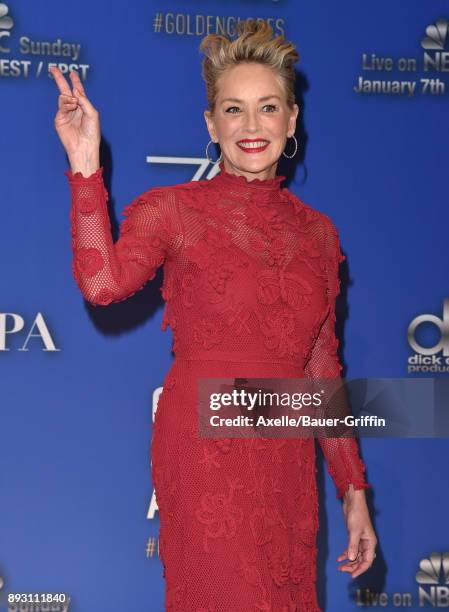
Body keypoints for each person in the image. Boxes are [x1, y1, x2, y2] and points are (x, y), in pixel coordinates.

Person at [51, 18, 377, 612]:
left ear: (292, 119)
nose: (252, 127)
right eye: (234, 110)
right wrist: (84, 162)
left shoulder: (319, 234)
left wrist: (353, 489)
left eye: (268, 107)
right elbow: (103, 284)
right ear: (211, 124)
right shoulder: (175, 211)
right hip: (206, 447)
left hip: (284, 452)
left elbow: (319, 364)